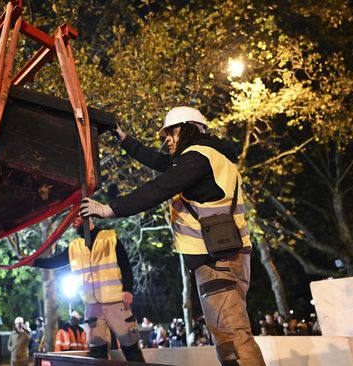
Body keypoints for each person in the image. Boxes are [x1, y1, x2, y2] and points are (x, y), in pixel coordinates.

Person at [80, 106, 265, 366]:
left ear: (190, 129)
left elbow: (159, 188)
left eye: (172, 132)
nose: (167, 138)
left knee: (233, 334)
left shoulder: (199, 158)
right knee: (224, 334)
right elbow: (160, 163)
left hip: (216, 260)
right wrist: (124, 139)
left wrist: (108, 209)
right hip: (224, 255)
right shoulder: (207, 157)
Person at [33, 217, 145, 362]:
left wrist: (128, 289)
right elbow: (55, 261)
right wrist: (35, 262)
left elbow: (125, 264)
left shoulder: (109, 237)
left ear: (88, 219)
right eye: (72, 222)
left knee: (130, 346)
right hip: (92, 306)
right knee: (97, 350)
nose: (73, 224)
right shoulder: (75, 246)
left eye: (76, 220)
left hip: (115, 302)